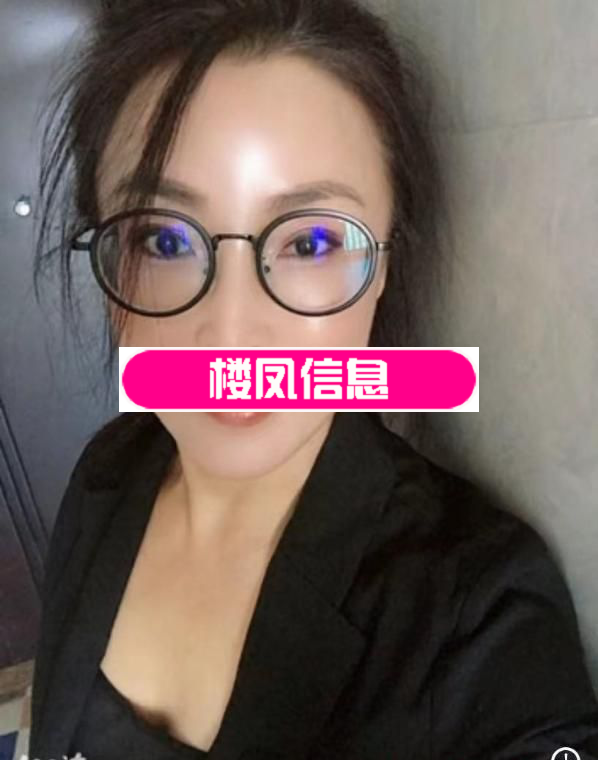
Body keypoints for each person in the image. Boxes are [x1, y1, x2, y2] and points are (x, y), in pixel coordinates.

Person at [29, 1, 598, 758]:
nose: (231, 333)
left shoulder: (476, 613)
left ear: (385, 263)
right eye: (163, 239)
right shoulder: (107, 472)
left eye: (313, 241)